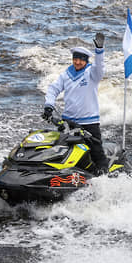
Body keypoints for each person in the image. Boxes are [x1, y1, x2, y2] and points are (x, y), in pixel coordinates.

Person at [43, 37, 109, 175]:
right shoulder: (66, 74)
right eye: (75, 59)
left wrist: (99, 50)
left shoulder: (92, 73)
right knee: (63, 154)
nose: (77, 62)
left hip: (89, 122)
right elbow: (53, 89)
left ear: (86, 61)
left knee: (98, 155)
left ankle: (105, 179)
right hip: (68, 123)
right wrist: (48, 106)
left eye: (81, 60)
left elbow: (100, 68)